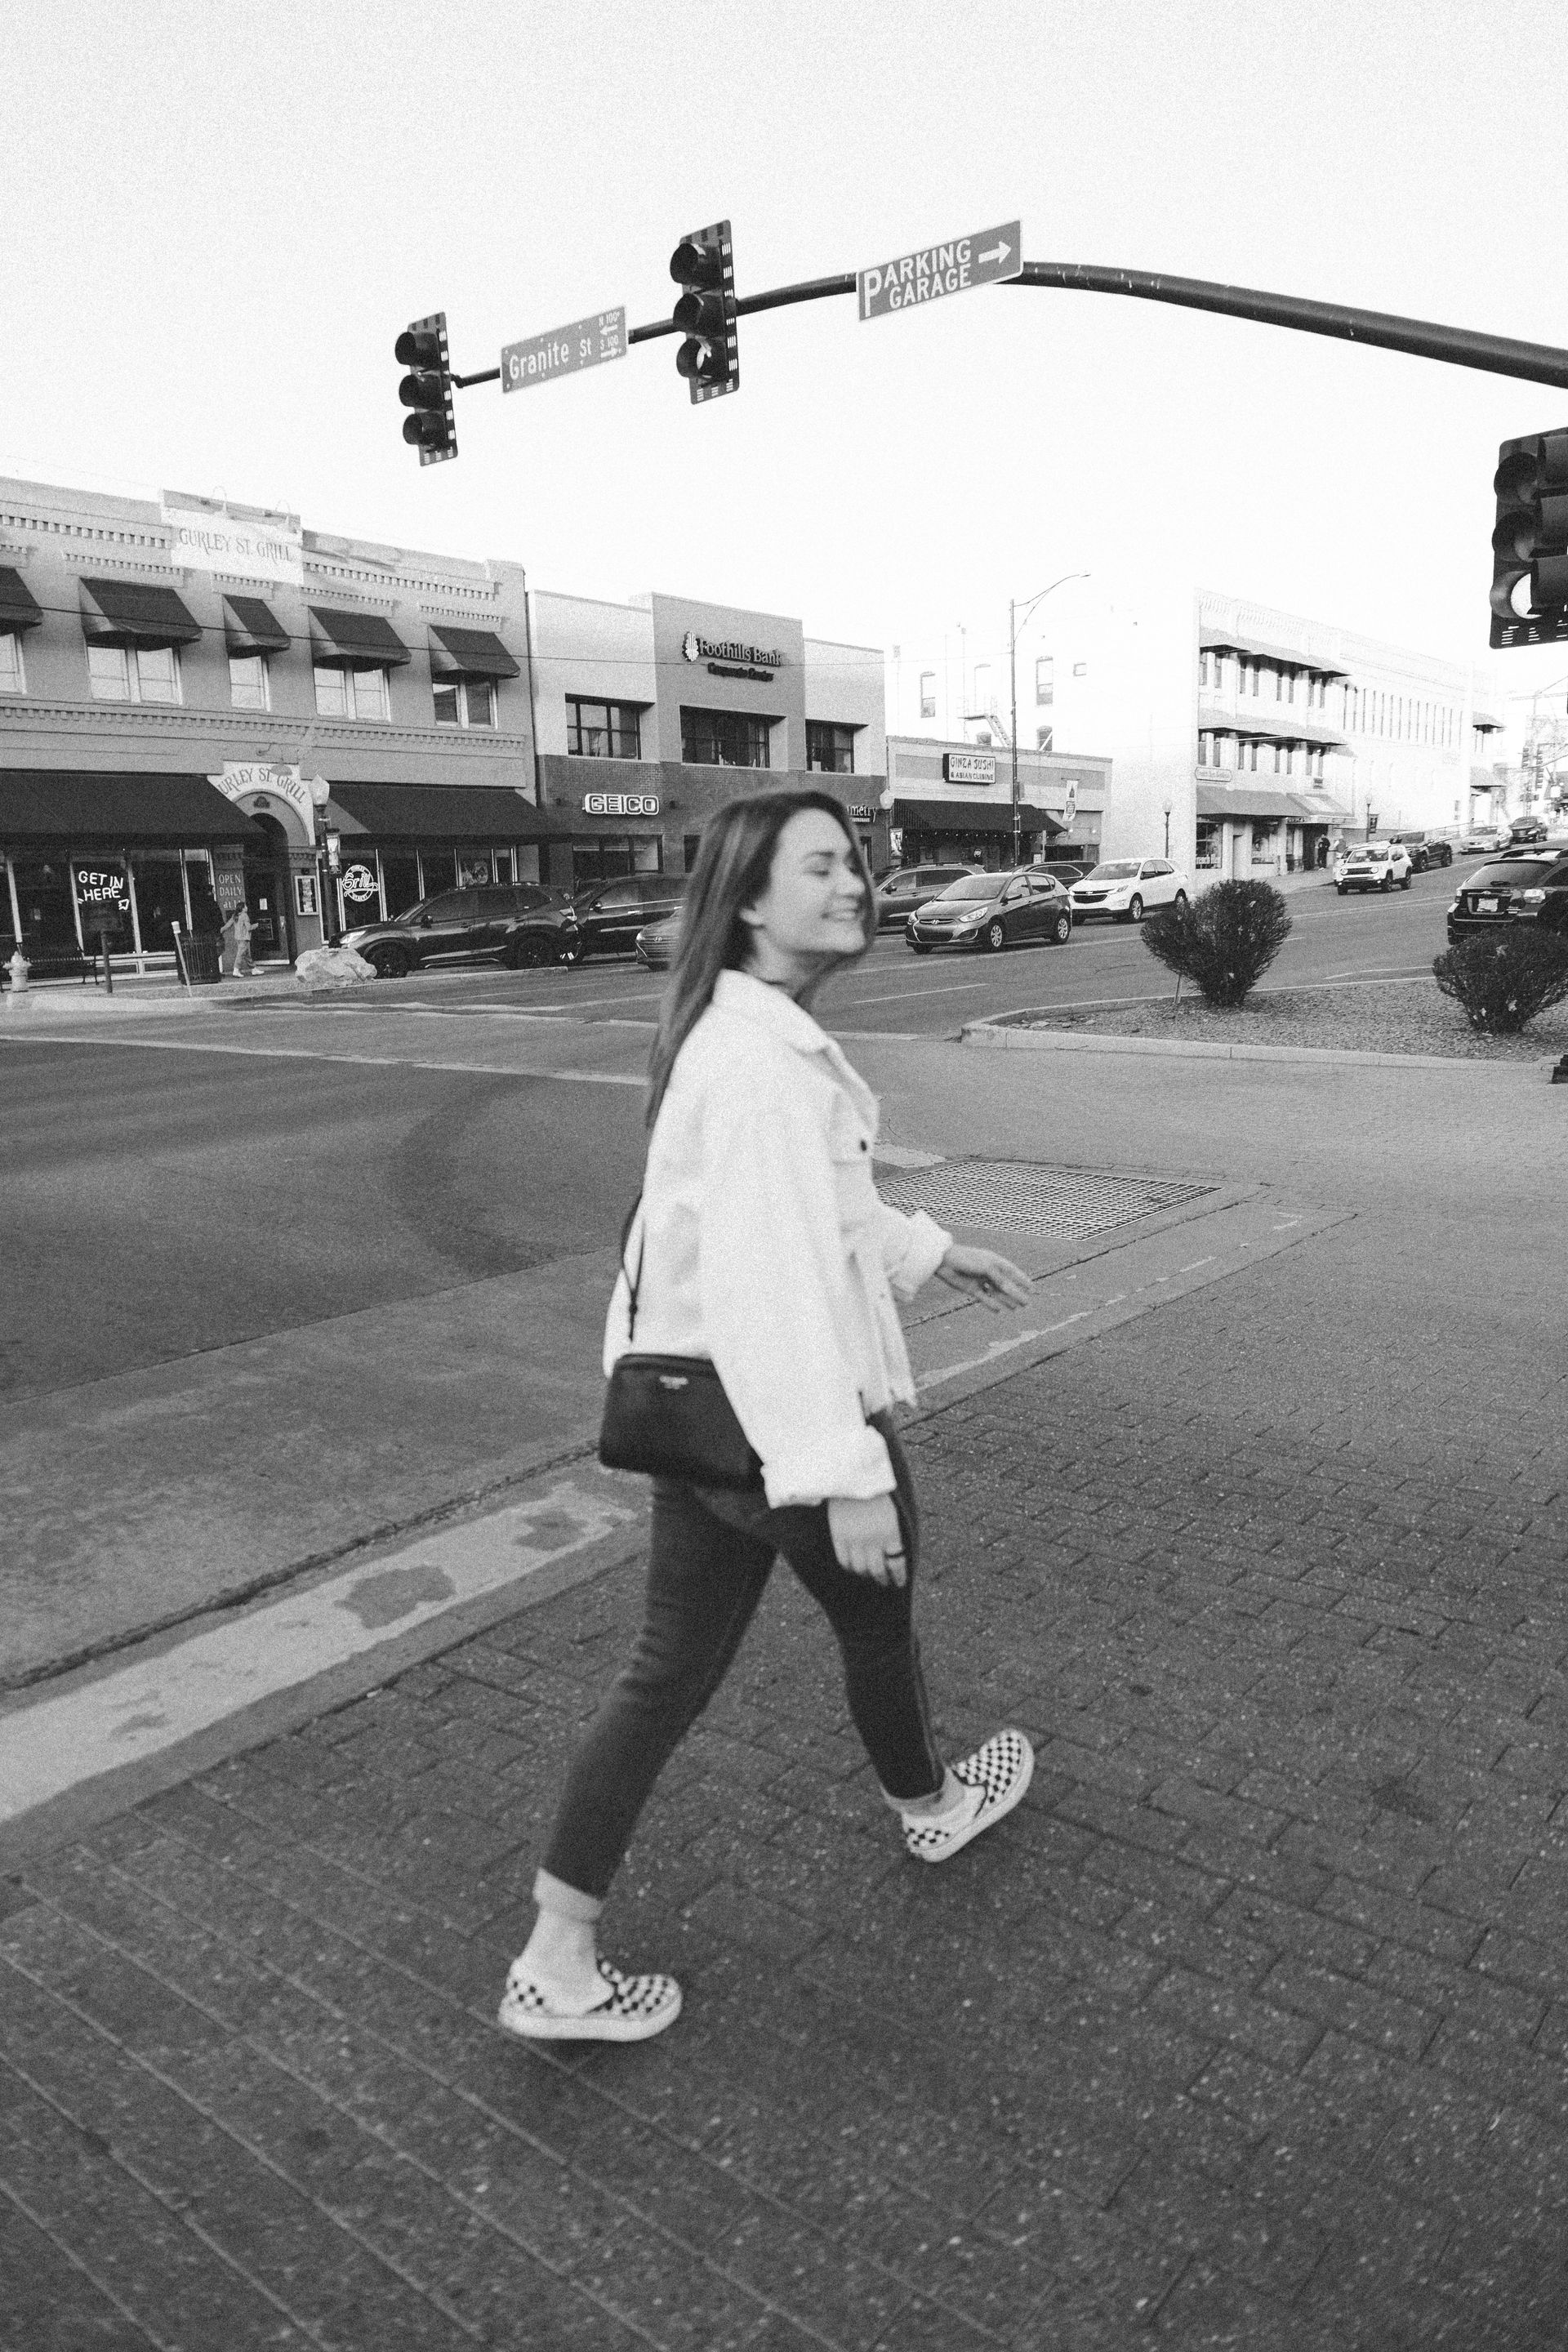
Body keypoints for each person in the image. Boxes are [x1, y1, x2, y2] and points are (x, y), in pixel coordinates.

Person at [499, 788, 1036, 2046]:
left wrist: (928, 1248)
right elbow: (769, 1282)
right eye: (820, 867)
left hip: (700, 1429)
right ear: (746, 899)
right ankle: (930, 1804)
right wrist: (838, 1470)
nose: (853, 884)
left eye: (855, 863)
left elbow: (808, 1217)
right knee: (878, 1612)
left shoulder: (750, 1041)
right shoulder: (753, 1064)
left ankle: (556, 1952)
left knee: (666, 1671)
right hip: (776, 1424)